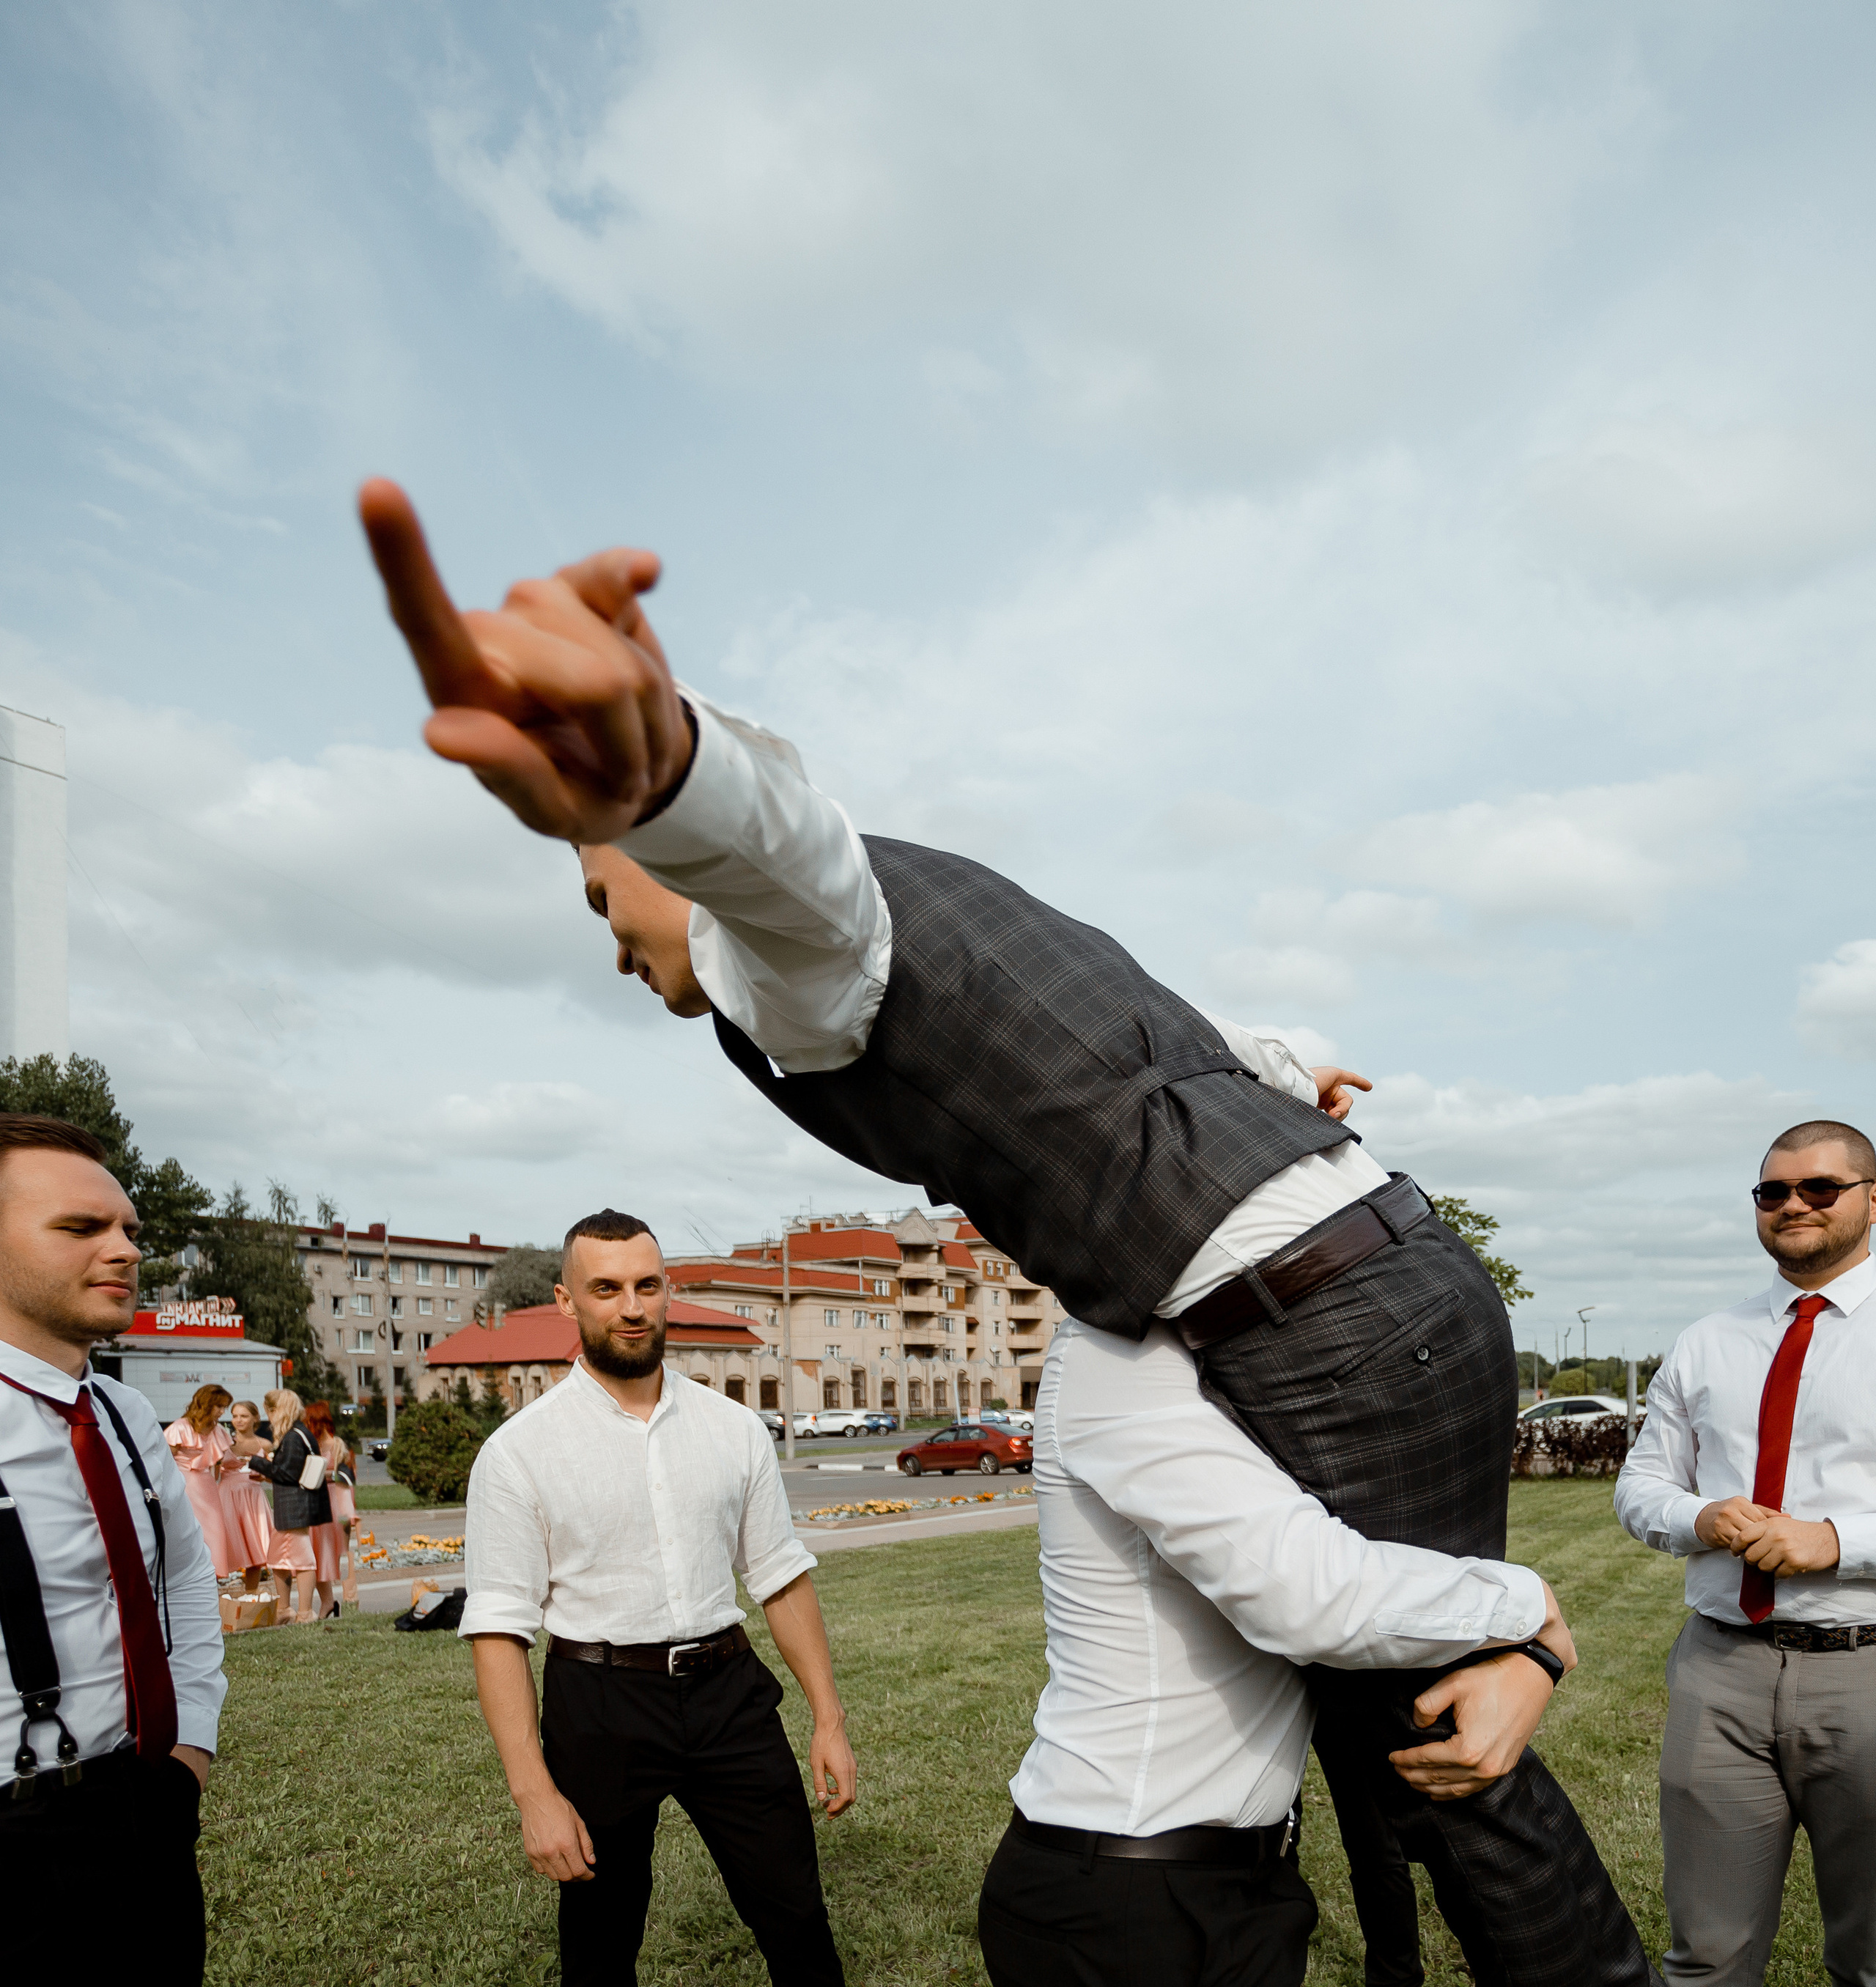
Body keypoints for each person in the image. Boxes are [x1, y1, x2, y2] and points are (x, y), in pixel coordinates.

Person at [359, 483, 1652, 1986]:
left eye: (603, 895)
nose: (609, 939)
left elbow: (795, 867)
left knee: (1447, 1743)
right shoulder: (985, 917)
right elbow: (1148, 1021)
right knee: (1391, 1726)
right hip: (1390, 1259)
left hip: (1306, 1313)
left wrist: (671, 787)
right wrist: (1289, 1064)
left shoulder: (792, 961)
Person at [980, 1316, 1577, 1987]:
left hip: (1241, 1882)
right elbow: (1307, 1593)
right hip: (1122, 1898)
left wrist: (1528, 1662)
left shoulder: (1233, 1350)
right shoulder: (1112, 1353)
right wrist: (1530, 1606)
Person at [460, 1209, 853, 1987]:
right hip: (599, 1703)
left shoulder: (734, 1428)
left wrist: (828, 1719)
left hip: (728, 1694)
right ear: (567, 1300)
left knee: (799, 1921)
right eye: (606, 1288)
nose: (631, 1306)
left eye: (647, 1284)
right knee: (600, 1947)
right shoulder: (517, 1452)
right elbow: (499, 1630)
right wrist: (534, 1793)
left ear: (668, 1289)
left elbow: (779, 1575)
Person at [1616, 1119, 1876, 1987]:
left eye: (1819, 1187)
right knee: (1706, 1957)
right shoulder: (1706, 1340)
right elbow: (1639, 1485)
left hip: (1866, 1666)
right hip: (1720, 1670)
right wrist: (1701, 1515)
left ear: (1871, 1199)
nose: (1792, 1204)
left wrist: (1834, 1540)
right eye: (1772, 1191)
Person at [0, 1115, 225, 1980]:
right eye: (81, 1226)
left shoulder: (126, 1415)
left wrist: (188, 1747)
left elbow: (187, 1580)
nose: (126, 1249)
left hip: (148, 1805)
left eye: (129, 1227)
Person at [248, 1388, 333, 1623]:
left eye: (269, 1411)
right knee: (278, 1558)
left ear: (277, 1410)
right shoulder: (300, 1433)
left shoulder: (293, 1436)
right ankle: (284, 1608)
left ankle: (304, 1612)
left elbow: (286, 1473)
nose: (268, 1417)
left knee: (303, 1561)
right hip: (297, 1506)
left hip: (294, 1507)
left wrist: (255, 1461)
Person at [165, 1384, 236, 1582]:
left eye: (224, 1407)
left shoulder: (218, 1430)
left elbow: (223, 1461)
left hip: (207, 1485)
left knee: (214, 1529)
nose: (222, 1412)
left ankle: (213, 1573)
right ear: (207, 1404)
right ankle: (188, 1575)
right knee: (189, 1528)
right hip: (184, 1484)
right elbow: (165, 1460)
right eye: (219, 1406)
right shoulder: (180, 1427)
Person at [303, 1398, 355, 1615]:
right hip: (317, 1501)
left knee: (324, 1553)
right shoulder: (310, 1445)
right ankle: (328, 1602)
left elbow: (348, 1478)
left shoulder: (338, 1446)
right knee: (315, 1554)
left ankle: (338, 1601)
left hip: (332, 1502)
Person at [220, 1398, 275, 1593]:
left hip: (253, 1498)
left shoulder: (265, 1444)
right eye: (235, 1416)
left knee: (255, 1549)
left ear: (255, 1418)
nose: (238, 1420)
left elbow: (273, 1476)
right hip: (228, 1497)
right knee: (225, 1546)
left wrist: (264, 1476)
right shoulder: (225, 1442)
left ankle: (250, 1595)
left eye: (244, 1416)